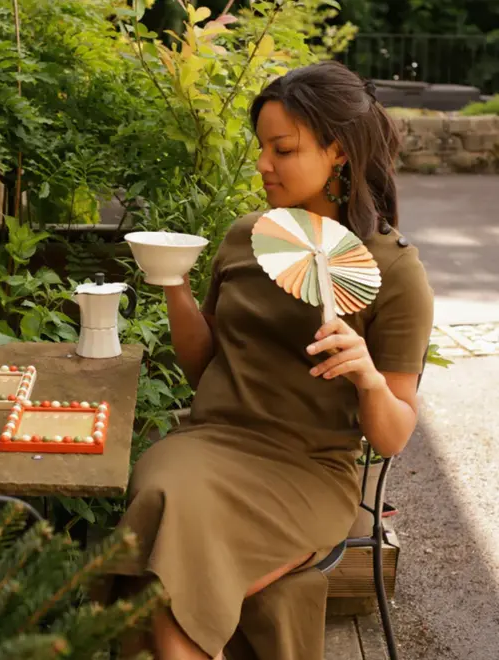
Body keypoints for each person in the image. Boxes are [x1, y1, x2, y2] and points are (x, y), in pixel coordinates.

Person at [110, 60, 434, 659]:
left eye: (282, 149)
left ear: (337, 151)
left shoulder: (393, 270)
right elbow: (203, 367)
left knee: (156, 572)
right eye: (262, 147)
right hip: (211, 441)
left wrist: (366, 376)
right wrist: (174, 284)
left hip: (306, 472)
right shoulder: (243, 237)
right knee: (166, 492)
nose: (263, 164)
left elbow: (392, 437)